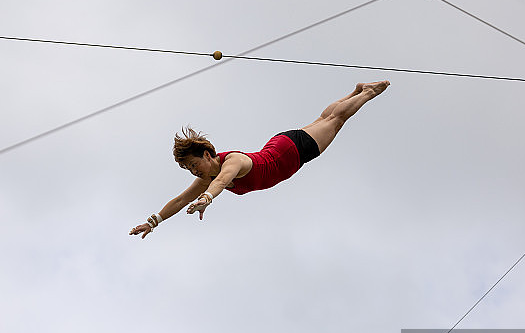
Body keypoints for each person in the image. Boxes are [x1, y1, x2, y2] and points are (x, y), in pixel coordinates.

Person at [129, 80, 390, 239]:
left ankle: (368, 93)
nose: (193, 172)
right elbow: (180, 199)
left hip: (291, 152)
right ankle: (355, 90)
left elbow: (221, 181)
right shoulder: (206, 176)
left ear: (207, 155)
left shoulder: (231, 163)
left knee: (335, 121)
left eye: (193, 165)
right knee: (324, 121)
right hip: (281, 147)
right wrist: (154, 222)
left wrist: (207, 198)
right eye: (188, 169)